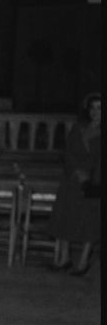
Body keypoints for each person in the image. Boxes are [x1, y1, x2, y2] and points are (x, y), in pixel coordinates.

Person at [47, 91, 102, 275]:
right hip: (72, 178)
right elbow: (68, 151)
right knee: (65, 215)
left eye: (99, 108)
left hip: (94, 180)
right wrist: (76, 171)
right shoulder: (78, 127)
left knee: (90, 220)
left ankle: (84, 261)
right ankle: (64, 258)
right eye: (93, 108)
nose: (95, 111)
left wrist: (92, 178)